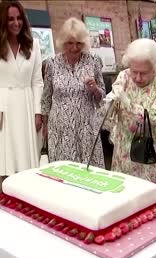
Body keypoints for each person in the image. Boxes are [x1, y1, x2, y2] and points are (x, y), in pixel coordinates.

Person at [0, 0, 44, 188]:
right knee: (7, 160)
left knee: (29, 160)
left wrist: (38, 112)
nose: (16, 23)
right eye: (10, 19)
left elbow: (37, 81)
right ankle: (8, 195)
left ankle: (29, 199)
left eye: (19, 18)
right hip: (4, 105)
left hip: (26, 104)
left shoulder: (34, 45)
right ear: (2, 21)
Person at [105, 38, 156, 187]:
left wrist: (127, 103)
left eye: (143, 73)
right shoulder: (124, 76)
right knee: (125, 194)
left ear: (155, 67)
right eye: (134, 71)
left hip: (151, 151)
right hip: (125, 149)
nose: (137, 78)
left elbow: (154, 117)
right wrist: (109, 103)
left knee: (152, 198)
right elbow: (110, 111)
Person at [41, 18, 106, 168]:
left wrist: (95, 89)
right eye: (70, 43)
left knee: (89, 172)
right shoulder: (51, 63)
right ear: (63, 42)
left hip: (86, 127)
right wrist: (45, 125)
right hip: (60, 128)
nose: (75, 48)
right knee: (64, 171)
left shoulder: (93, 60)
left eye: (79, 43)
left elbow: (102, 96)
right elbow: (46, 97)